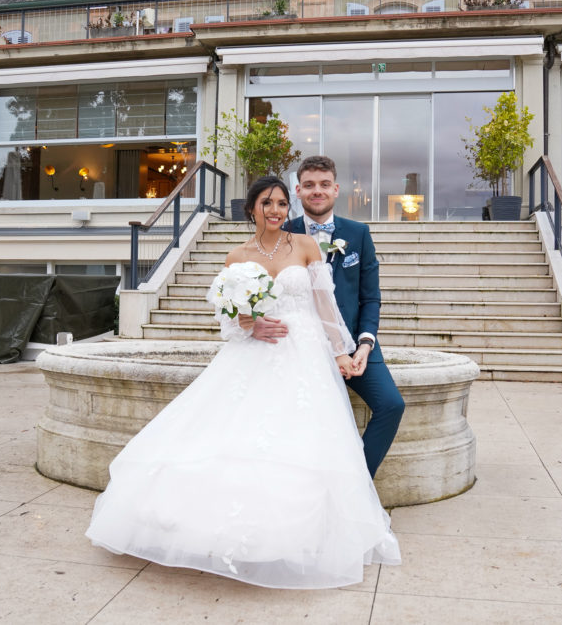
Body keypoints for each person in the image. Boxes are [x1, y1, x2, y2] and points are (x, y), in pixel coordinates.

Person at [86, 176, 400, 589]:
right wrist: (251, 327)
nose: (275, 211)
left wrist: (342, 352)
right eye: (267, 203)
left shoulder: (305, 246)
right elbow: (230, 318)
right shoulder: (236, 256)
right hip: (254, 354)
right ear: (252, 207)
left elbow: (325, 307)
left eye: (282, 204)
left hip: (303, 353)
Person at [252, 156, 404, 479]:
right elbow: (258, 285)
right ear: (298, 191)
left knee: (392, 405)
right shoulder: (281, 230)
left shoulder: (359, 234)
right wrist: (253, 322)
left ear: (336, 190)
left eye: (324, 185)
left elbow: (370, 298)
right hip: (298, 345)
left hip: (352, 344)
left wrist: (363, 346)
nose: (316, 191)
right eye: (309, 185)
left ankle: (356, 484)